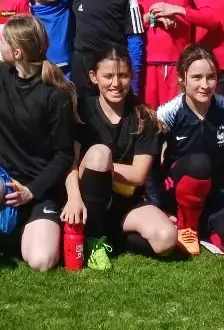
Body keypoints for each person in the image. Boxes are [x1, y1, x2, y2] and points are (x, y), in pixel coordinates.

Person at [0, 15, 75, 269]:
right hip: (1, 177)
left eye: (2, 40)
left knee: (42, 261)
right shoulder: (0, 75)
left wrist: (32, 191)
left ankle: (15, 230)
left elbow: (63, 155)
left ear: (16, 52)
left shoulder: (56, 94)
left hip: (37, 187)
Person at [67, 47, 166, 265]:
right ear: (94, 77)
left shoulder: (143, 115)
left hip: (126, 202)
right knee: (100, 154)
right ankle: (93, 239)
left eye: (122, 76)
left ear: (131, 76)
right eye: (108, 76)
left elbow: (139, 175)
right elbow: (70, 163)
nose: (115, 83)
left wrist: (103, 170)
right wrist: (75, 194)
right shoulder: (81, 111)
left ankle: (113, 235)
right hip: (88, 197)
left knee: (165, 240)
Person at [155, 46, 224, 259]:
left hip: (217, 192)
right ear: (182, 78)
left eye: (211, 77)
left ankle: (203, 229)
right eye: (196, 77)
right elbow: (153, 165)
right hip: (179, 191)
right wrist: (157, 206)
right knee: (199, 163)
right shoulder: (166, 113)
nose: (204, 85)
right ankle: (186, 224)